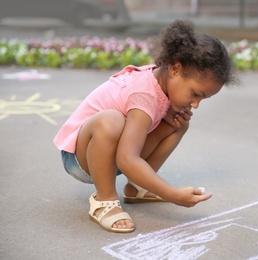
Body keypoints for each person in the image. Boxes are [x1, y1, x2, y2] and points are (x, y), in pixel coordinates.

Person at [53, 20, 237, 233]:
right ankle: (105, 199)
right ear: (176, 69)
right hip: (81, 157)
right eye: (195, 94)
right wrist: (172, 194)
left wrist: (167, 116)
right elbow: (126, 159)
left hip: (111, 154)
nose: (195, 104)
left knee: (177, 124)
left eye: (203, 99)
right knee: (110, 120)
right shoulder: (144, 95)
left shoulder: (161, 81)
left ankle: (137, 187)